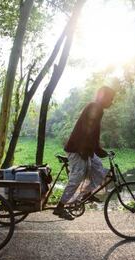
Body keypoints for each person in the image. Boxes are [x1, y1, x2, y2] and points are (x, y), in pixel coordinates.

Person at [53, 86, 115, 220]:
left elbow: (93, 133)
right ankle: (60, 207)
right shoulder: (95, 107)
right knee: (77, 178)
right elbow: (88, 130)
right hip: (77, 149)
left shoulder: (98, 108)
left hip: (85, 150)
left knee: (98, 169)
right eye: (111, 98)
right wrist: (94, 150)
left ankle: (87, 194)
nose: (112, 102)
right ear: (103, 97)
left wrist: (98, 150)